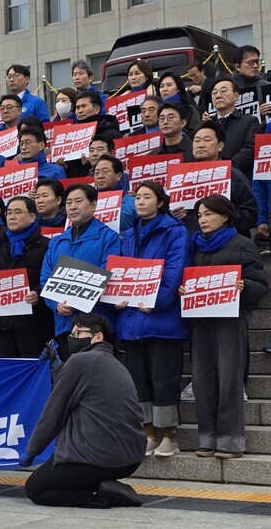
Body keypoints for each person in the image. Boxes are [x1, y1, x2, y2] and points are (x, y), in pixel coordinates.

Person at [22, 313, 146, 509]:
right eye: (71, 334)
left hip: (96, 457)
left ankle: (102, 495)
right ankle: (107, 485)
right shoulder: (114, 363)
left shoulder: (81, 361)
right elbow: (77, 380)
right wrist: (56, 365)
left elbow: (53, 413)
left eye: (78, 333)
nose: (72, 338)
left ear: (98, 336)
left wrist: (32, 450)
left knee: (36, 488)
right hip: (130, 458)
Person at [184, 195, 267, 458]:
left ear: (225, 216)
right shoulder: (195, 246)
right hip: (201, 321)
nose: (203, 220)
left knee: (229, 381)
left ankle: (231, 441)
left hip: (230, 322)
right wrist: (184, 289)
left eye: (208, 214)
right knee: (203, 381)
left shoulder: (243, 244)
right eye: (199, 215)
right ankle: (207, 439)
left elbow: (260, 286)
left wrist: (245, 287)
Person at [117, 181, 189, 457]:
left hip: (161, 320)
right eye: (138, 197)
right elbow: (122, 271)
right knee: (139, 380)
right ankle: (148, 432)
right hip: (132, 318)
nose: (141, 202)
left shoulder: (175, 231)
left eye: (148, 197)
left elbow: (174, 272)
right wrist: (118, 296)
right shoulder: (128, 234)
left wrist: (157, 301)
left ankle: (169, 435)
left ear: (161, 202)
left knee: (164, 378)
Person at [39, 184, 121, 359]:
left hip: (96, 324)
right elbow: (45, 278)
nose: (73, 206)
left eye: (78, 201)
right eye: (68, 203)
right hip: (65, 324)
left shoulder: (108, 237)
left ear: (93, 205)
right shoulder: (57, 242)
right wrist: (56, 304)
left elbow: (108, 274)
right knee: (71, 379)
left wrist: (76, 301)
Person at [0, 195, 53, 357]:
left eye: (17, 212)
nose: (12, 217)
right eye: (9, 213)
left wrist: (37, 293)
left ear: (32, 216)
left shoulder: (47, 245)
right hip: (1, 325)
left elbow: (51, 280)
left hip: (32, 325)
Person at [172, 122, 257, 238]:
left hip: (227, 244)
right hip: (191, 243)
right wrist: (172, 216)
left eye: (207, 140)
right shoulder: (180, 177)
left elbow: (252, 213)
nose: (200, 145)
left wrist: (223, 218)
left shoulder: (233, 175)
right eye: (196, 141)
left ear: (220, 146)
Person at [207, 77, 262, 179]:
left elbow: (251, 147)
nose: (218, 96)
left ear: (236, 96)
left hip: (240, 178)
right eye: (214, 93)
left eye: (223, 91)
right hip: (210, 178)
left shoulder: (250, 121)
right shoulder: (207, 126)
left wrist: (229, 167)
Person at [93, 155, 137, 233]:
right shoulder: (89, 205)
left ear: (119, 176)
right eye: (96, 173)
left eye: (105, 171)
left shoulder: (134, 203)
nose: (100, 176)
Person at [155, 72, 200, 137]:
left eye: (169, 85)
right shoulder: (156, 111)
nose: (164, 89)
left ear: (178, 88)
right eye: (161, 86)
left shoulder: (190, 110)